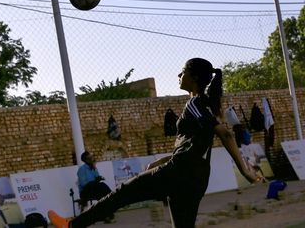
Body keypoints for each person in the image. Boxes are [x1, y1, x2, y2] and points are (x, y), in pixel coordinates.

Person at [48, 58, 260, 228]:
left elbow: (226, 134)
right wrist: (162, 161)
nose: (179, 75)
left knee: (123, 193)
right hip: (196, 178)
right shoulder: (205, 105)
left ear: (194, 77)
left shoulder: (195, 103)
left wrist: (244, 169)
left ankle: (73, 224)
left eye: (183, 70)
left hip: (182, 171)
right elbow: (193, 147)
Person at [77, 151, 114, 222]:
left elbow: (97, 177)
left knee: (103, 194)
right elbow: (83, 184)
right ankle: (107, 211)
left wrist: (99, 178)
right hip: (85, 191)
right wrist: (94, 181)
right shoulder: (82, 169)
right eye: (90, 158)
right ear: (86, 160)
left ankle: (107, 214)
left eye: (92, 157)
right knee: (101, 186)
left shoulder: (93, 167)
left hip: (94, 189)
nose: (92, 159)